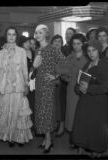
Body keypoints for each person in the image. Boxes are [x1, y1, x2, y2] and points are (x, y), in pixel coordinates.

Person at [0, 26, 33, 147]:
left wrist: (26, 84)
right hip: (5, 86)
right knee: (7, 111)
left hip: (19, 85)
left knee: (18, 111)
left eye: (13, 34)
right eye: (9, 34)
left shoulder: (21, 51)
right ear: (6, 36)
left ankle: (18, 137)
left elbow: (24, 69)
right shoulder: (1, 52)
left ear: (16, 36)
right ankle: (10, 136)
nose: (11, 37)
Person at [72, 40, 108, 157]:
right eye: (89, 51)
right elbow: (79, 80)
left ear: (99, 51)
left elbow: (107, 86)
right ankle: (83, 145)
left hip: (98, 102)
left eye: (94, 50)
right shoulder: (87, 64)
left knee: (96, 126)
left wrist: (89, 88)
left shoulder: (104, 64)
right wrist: (77, 87)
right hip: (85, 100)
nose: (91, 53)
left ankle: (96, 149)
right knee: (83, 124)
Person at [33, 24, 66, 153]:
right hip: (39, 85)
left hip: (48, 85)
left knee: (46, 113)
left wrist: (55, 76)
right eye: (36, 33)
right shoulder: (37, 50)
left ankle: (49, 141)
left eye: (40, 33)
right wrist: (34, 69)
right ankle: (45, 139)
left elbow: (65, 63)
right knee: (41, 112)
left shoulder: (52, 49)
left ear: (46, 34)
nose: (37, 35)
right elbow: (37, 69)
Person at [56, 33, 88, 149]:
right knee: (72, 114)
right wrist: (65, 77)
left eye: (78, 43)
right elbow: (60, 70)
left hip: (84, 89)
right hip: (71, 90)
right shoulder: (69, 57)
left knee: (83, 115)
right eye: (74, 44)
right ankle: (74, 139)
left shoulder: (88, 57)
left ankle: (82, 141)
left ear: (83, 44)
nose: (76, 46)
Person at [96, 27, 108, 147]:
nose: (102, 38)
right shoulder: (96, 50)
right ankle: (100, 140)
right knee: (101, 112)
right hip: (99, 84)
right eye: (100, 36)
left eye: (104, 35)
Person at [50, 34, 67, 137]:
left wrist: (57, 76)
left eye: (59, 41)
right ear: (51, 43)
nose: (57, 43)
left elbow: (65, 69)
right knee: (52, 105)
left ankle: (61, 125)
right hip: (49, 83)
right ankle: (54, 124)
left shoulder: (63, 55)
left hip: (61, 83)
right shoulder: (49, 54)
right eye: (55, 41)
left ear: (62, 44)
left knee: (60, 105)